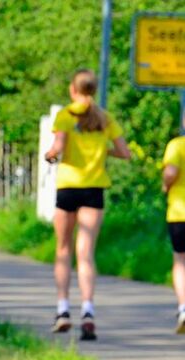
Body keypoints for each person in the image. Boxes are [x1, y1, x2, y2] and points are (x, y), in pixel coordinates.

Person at [44, 68, 130, 341]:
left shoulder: (65, 116)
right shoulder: (105, 118)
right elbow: (124, 152)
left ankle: (62, 310)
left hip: (69, 187)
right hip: (94, 190)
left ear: (73, 89)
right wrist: (104, 150)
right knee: (85, 253)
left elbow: (58, 146)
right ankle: (89, 311)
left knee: (63, 250)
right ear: (93, 89)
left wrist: (51, 154)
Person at [161, 127, 185, 333]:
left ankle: (184, 308)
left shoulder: (177, 145)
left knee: (180, 260)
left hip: (180, 213)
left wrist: (165, 185)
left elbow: (171, 172)